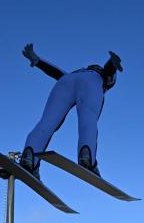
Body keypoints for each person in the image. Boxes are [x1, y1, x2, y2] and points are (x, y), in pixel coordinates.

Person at [19, 43, 123, 179]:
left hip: (65, 81)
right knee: (88, 121)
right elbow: (108, 73)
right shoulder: (99, 79)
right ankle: (87, 159)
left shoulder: (77, 73)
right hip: (90, 83)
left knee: (46, 123)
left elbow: (58, 74)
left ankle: (29, 157)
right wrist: (112, 63)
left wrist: (37, 60)